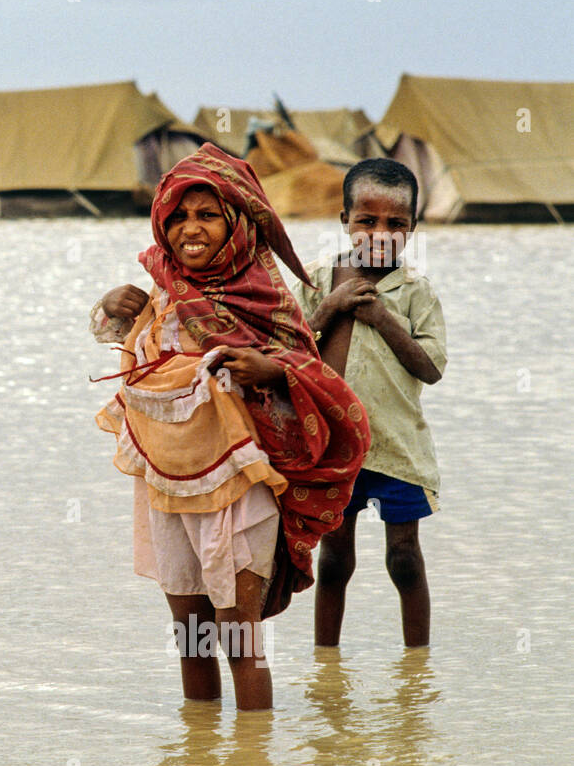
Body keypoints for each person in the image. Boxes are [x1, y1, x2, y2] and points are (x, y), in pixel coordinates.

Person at [93, 144, 370, 709]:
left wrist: (272, 370)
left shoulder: (264, 296)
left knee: (239, 640)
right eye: (178, 216)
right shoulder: (162, 289)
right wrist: (114, 308)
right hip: (167, 486)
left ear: (238, 222)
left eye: (207, 215)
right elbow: (138, 359)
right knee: (191, 641)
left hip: (241, 489)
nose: (189, 230)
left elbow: (317, 378)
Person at [296, 159, 445, 647]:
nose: (380, 233)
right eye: (367, 220)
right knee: (335, 558)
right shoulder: (317, 279)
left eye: (396, 224)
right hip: (334, 449)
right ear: (344, 221)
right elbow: (287, 351)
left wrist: (382, 318)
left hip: (397, 447)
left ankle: (417, 661)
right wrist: (330, 308)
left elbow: (431, 367)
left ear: (412, 230)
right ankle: (327, 662)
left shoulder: (415, 291)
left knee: (404, 556)